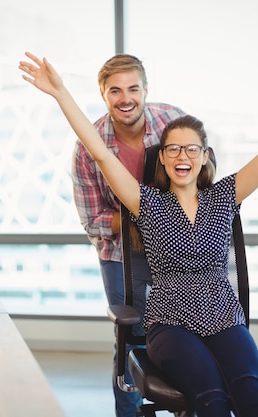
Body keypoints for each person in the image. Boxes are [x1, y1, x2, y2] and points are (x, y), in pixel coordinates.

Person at [19, 52, 258, 417]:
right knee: (211, 397)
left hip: (224, 317)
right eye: (172, 149)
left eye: (191, 148)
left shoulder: (224, 196)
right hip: (169, 323)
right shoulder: (148, 203)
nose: (181, 155)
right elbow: (102, 155)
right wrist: (60, 93)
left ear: (204, 157)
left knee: (250, 395)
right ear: (164, 159)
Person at [71, 54, 186, 416]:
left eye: (133, 88)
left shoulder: (172, 122)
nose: (126, 98)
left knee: (187, 334)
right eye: (115, 90)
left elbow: (199, 182)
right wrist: (139, 211)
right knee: (130, 343)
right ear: (104, 95)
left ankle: (191, 402)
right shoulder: (87, 149)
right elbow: (93, 222)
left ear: (146, 90)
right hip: (120, 255)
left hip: (176, 251)